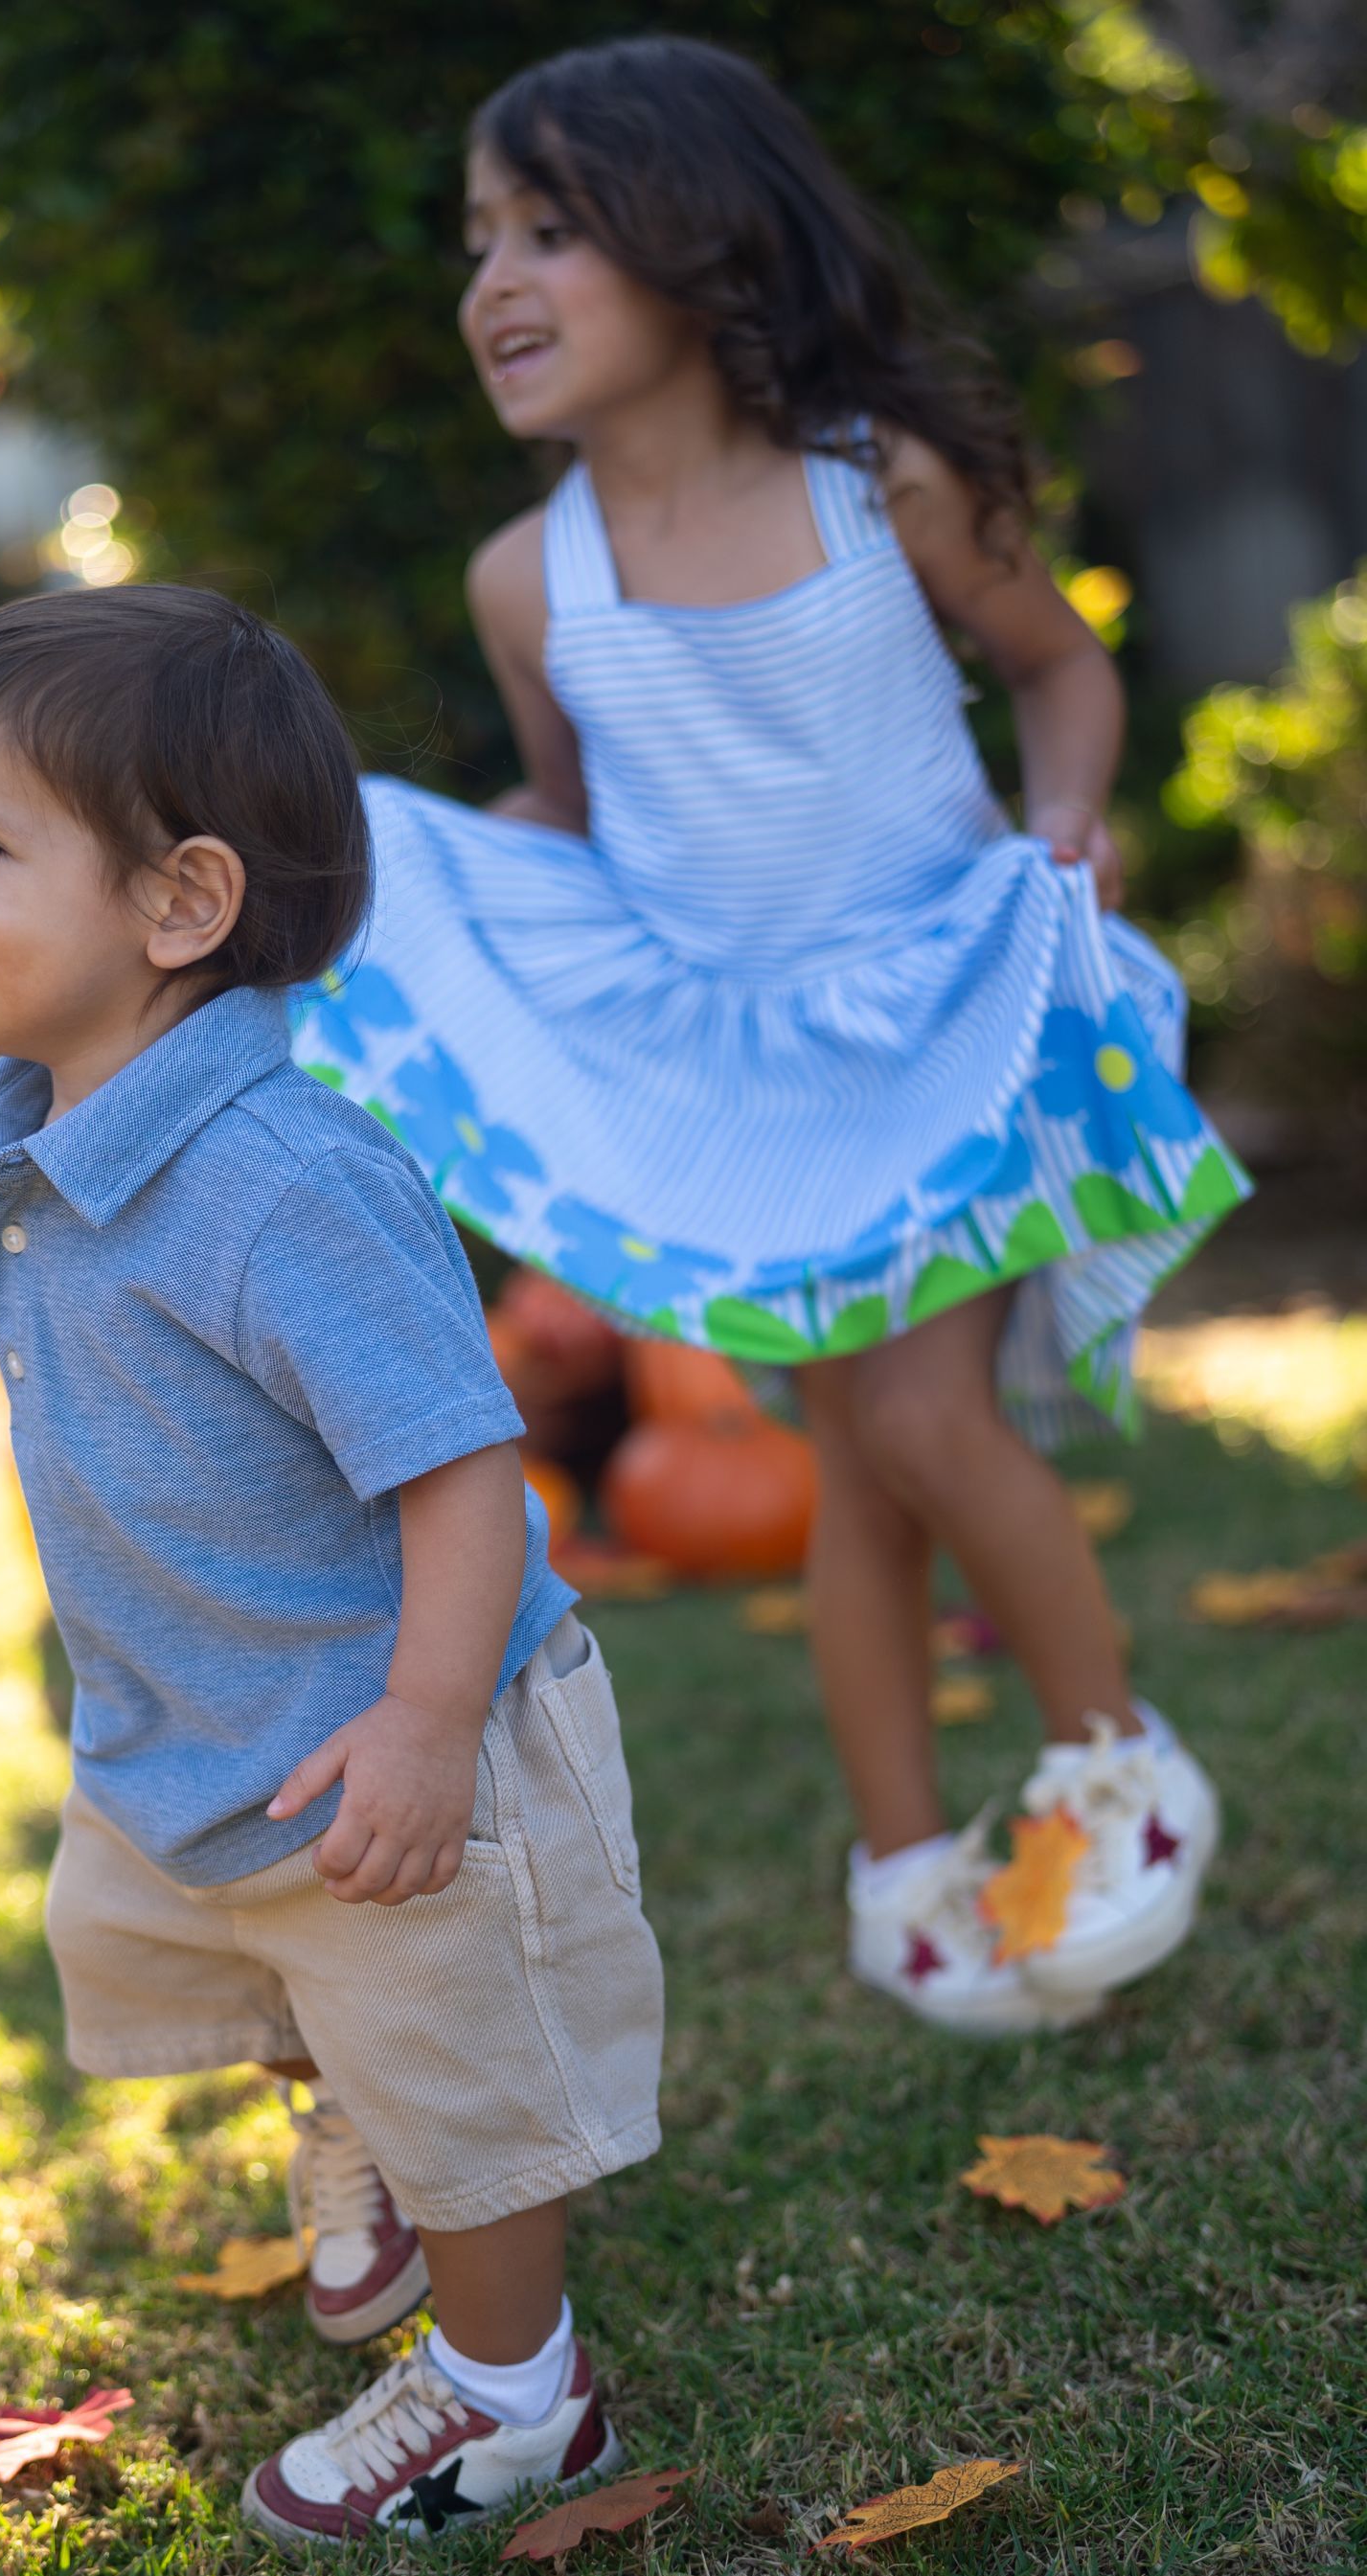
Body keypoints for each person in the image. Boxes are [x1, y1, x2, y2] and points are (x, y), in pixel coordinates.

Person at [294, 37, 1245, 2037]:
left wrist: (1074, 818)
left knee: (911, 1419)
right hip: (748, 1083)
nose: (493, 282)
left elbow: (1059, 674)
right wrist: (453, 911)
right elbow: (579, 815)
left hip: (942, 1017)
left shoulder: (875, 484)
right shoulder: (524, 583)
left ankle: (1118, 1761)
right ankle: (908, 1879)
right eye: (478, 241)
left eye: (548, 229)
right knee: (853, 1464)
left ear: (696, 236)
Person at [0, 583, 663, 2544]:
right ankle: (360, 2128)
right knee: (209, 1959)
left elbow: (465, 1475)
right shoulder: (43, 1147)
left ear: (180, 904)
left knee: (467, 2085)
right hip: (211, 1739)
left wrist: (421, 1722)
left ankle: (511, 2397)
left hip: (402, 1742)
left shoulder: (282, 1180)